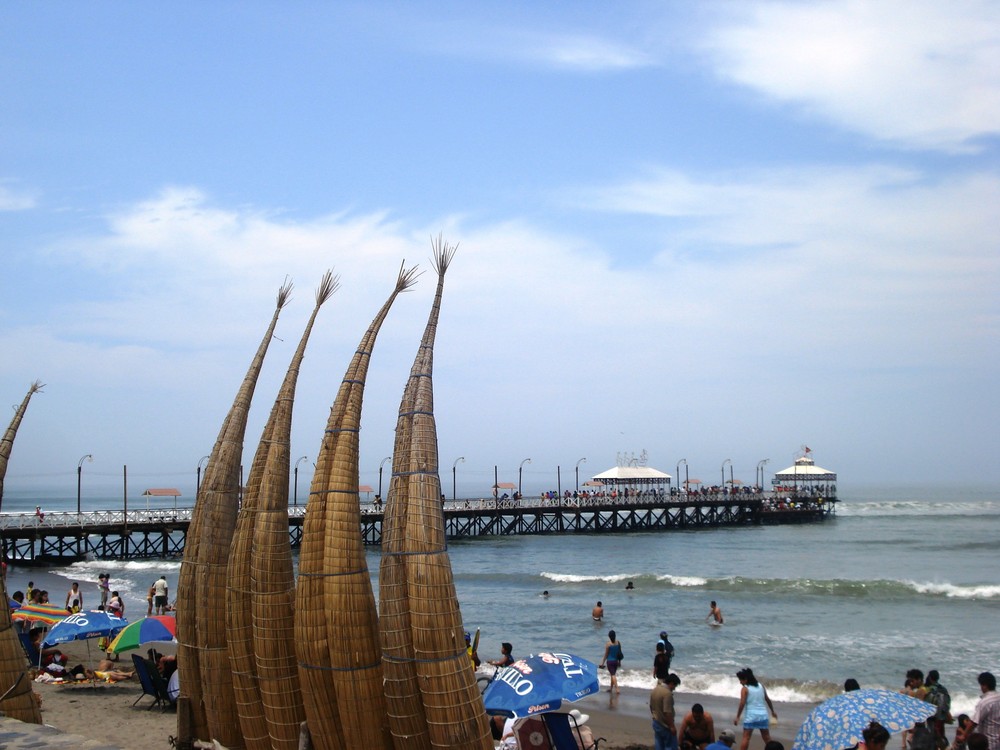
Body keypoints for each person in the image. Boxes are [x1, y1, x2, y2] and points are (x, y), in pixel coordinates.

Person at [733, 667, 777, 750]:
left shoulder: (745, 688)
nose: (740, 682)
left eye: (741, 680)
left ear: (745, 679)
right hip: (763, 716)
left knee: (746, 738)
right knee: (767, 738)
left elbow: (742, 703)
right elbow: (767, 699)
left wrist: (738, 717)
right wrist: (772, 711)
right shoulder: (761, 686)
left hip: (751, 716)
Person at [967, 671, 999, 750]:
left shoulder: (984, 702)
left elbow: (974, 722)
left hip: (987, 743)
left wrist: (963, 736)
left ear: (984, 686)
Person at [650, 673, 681, 750]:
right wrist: (672, 726)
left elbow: (651, 706)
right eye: (675, 686)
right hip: (665, 724)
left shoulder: (655, 690)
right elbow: (667, 712)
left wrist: (654, 716)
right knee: (670, 746)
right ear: (671, 683)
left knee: (659, 744)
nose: (674, 688)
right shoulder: (667, 694)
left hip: (656, 721)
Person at [925, 670, 952, 741]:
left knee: (931, 737)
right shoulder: (943, 689)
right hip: (941, 717)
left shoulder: (928, 689)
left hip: (931, 717)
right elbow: (947, 703)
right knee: (941, 736)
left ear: (930, 678)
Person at [600, 629, 624, 695]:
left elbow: (606, 654)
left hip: (610, 662)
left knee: (613, 675)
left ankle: (617, 689)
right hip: (616, 661)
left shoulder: (608, 644)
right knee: (612, 675)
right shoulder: (618, 643)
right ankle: (611, 688)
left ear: (609, 637)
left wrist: (602, 663)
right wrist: (619, 662)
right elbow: (619, 653)